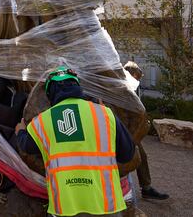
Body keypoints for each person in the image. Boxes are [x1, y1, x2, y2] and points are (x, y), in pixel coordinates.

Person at [15, 66, 135, 216]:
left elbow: (26, 146)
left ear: (49, 93)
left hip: (66, 206)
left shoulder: (41, 122)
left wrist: (19, 131)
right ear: (77, 86)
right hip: (105, 204)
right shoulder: (105, 114)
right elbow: (127, 155)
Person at [123, 61, 169, 201]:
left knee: (141, 155)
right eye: (137, 77)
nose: (138, 80)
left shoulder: (130, 87)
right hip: (118, 128)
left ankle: (146, 188)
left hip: (128, 130)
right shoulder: (119, 87)